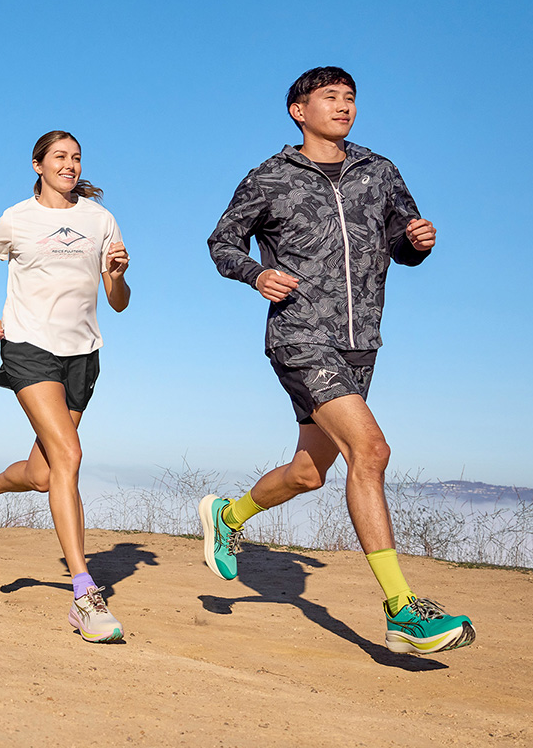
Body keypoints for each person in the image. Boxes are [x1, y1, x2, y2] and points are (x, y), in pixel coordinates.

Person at [201, 67, 475, 655]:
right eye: (330, 98)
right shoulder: (270, 176)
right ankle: (402, 608)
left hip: (362, 341)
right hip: (300, 335)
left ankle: (228, 516)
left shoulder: (380, 172)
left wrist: (416, 242)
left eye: (350, 98)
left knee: (309, 472)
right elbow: (222, 242)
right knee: (371, 451)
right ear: (299, 110)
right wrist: (257, 274)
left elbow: (404, 243)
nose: (344, 106)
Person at [0, 130, 130, 643]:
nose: (70, 165)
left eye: (76, 158)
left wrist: (117, 275)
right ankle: (85, 595)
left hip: (83, 354)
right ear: (37, 164)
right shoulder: (16, 219)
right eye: (60, 157)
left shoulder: (101, 220)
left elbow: (117, 301)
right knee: (70, 457)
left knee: (41, 473)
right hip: (29, 349)